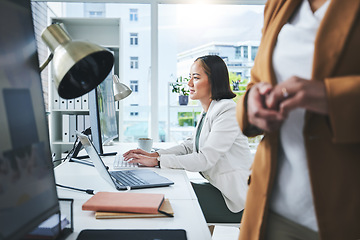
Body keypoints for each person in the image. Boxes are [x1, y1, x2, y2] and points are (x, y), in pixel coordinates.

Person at [236, 0, 360, 239]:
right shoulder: (278, 4)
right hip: (272, 209)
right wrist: (252, 102)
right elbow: (257, 80)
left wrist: (331, 96)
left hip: (347, 214)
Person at [124, 55, 252, 223]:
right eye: (190, 77)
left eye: (196, 78)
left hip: (236, 201)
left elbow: (204, 159)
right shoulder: (209, 109)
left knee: (173, 199)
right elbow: (189, 146)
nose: (189, 84)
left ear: (214, 80)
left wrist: (158, 161)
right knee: (174, 191)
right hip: (219, 189)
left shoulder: (227, 110)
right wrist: (153, 156)